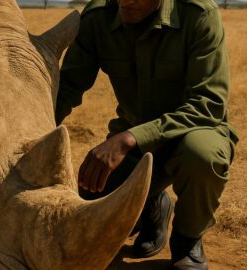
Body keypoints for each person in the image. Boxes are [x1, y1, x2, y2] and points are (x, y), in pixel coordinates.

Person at [55, 0, 239, 269]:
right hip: (134, 145)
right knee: (90, 195)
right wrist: (31, 132)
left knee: (201, 155)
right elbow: (67, 87)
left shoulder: (198, 15)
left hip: (194, 132)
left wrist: (131, 138)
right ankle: (153, 203)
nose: (125, 2)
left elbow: (207, 104)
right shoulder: (99, 17)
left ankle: (187, 241)